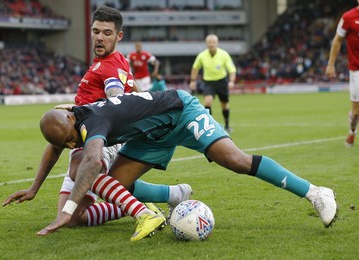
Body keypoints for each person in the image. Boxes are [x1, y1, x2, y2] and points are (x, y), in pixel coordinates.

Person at [36, 90, 338, 242]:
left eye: (70, 138)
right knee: (117, 187)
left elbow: (90, 161)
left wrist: (66, 212)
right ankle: (173, 195)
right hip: (151, 135)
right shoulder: (72, 119)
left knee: (235, 160)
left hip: (181, 112)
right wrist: (35, 188)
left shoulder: (93, 120)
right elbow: (57, 145)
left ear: (72, 121)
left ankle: (315, 192)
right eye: (65, 143)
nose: (70, 144)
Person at [2, 5, 192, 228]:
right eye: (95, 31)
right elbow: (59, 141)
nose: (99, 38)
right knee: (73, 218)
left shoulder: (109, 68)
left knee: (78, 169)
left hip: (99, 140)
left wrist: (80, 108)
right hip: (82, 142)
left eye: (106, 33)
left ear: (118, 36)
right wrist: (34, 188)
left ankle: (141, 211)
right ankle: (170, 194)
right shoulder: (114, 62)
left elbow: (116, 101)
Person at [325, 1, 359, 148]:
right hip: (356, 70)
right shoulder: (348, 17)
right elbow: (338, 40)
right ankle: (352, 131)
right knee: (356, 112)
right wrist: (331, 64)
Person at [189, 34, 237, 132]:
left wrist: (232, 81)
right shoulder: (202, 55)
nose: (211, 44)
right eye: (209, 42)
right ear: (206, 44)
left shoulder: (224, 54)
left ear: (217, 43)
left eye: (213, 42)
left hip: (222, 81)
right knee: (207, 102)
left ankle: (227, 125)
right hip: (208, 82)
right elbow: (195, 68)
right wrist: (193, 80)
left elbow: (232, 69)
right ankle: (210, 125)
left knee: (224, 105)